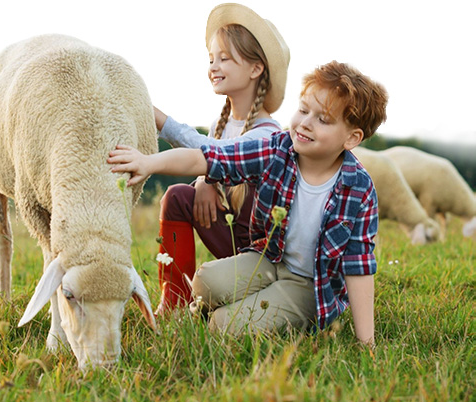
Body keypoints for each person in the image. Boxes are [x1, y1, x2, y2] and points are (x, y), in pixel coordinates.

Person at [108, 60, 388, 345]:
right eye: (303, 110)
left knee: (224, 326)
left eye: (323, 120)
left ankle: (247, 316)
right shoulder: (277, 148)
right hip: (269, 258)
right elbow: (206, 157)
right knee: (205, 281)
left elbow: (359, 266)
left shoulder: (359, 188)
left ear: (352, 138)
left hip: (309, 284)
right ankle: (208, 308)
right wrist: (149, 162)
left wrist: (367, 343)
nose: (305, 123)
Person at [152, 3, 290, 315]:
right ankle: (173, 299)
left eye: (225, 58)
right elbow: (211, 156)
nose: (213, 65)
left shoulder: (268, 134)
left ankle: (243, 290)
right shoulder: (221, 125)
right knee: (177, 196)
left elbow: (216, 155)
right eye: (211, 58)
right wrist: (203, 180)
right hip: (229, 235)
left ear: (255, 69)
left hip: (262, 252)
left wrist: (159, 119)